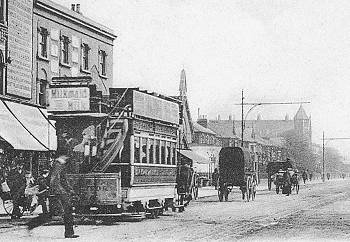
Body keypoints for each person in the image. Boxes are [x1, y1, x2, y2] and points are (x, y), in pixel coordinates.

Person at [50, 150, 79, 238]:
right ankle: (69, 233)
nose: (67, 158)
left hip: (61, 191)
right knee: (67, 211)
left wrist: (70, 190)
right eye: (65, 157)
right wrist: (64, 191)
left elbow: (63, 180)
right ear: (61, 156)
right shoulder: (57, 165)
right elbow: (56, 180)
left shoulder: (59, 165)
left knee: (68, 211)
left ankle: (69, 232)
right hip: (61, 192)